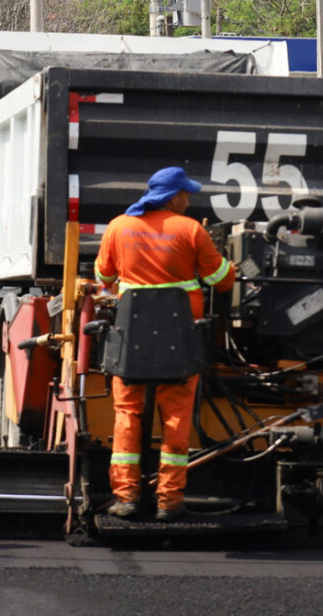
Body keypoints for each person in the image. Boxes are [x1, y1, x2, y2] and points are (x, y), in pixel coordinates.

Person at [94, 166, 234, 522]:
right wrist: (232, 266)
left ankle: (126, 498)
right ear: (172, 197)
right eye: (185, 194)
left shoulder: (118, 226)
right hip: (180, 343)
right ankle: (169, 502)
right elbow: (220, 279)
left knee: (128, 416)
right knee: (176, 419)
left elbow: (103, 276)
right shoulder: (191, 229)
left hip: (131, 344)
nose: (188, 200)